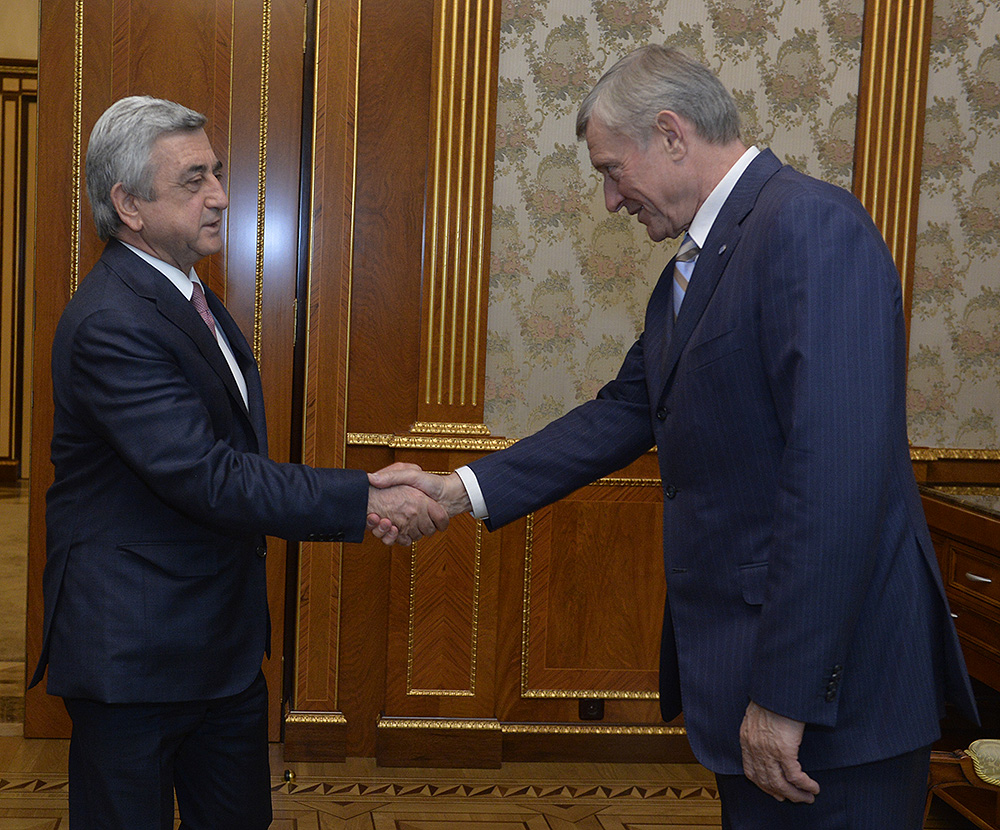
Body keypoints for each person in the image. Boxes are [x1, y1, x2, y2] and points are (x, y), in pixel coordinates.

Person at [370, 45, 979, 828]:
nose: (609, 201)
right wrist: (455, 491)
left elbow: (837, 481)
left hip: (830, 695)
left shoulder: (809, 226)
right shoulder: (695, 268)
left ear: (670, 133)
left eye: (611, 170)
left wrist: (785, 697)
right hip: (755, 673)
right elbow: (623, 412)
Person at [28, 95, 442, 830]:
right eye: (194, 180)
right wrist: (365, 498)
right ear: (128, 204)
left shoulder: (190, 297)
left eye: (217, 173)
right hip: (135, 654)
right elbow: (207, 474)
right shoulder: (112, 321)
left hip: (216, 647)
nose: (220, 195)